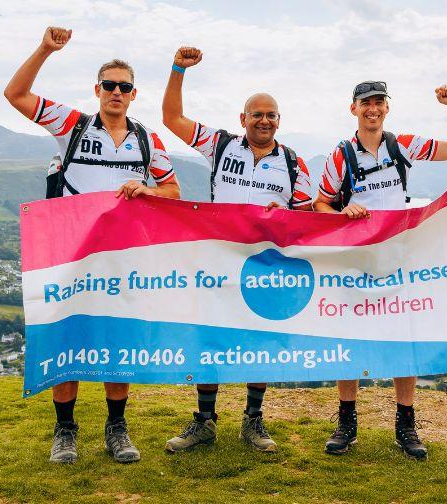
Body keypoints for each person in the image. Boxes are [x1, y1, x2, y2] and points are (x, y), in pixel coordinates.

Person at [4, 26, 180, 464]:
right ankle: (65, 430)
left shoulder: (146, 139)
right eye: (109, 85)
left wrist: (148, 191)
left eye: (124, 87)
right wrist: (45, 47)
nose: (116, 92)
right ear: (97, 90)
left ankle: (116, 428)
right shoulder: (73, 125)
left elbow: (173, 190)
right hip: (70, 253)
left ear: (133, 94)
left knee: (116, 339)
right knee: (68, 337)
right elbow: (16, 93)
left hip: (122, 257)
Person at [160, 46, 314, 453]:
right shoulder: (221, 145)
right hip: (219, 260)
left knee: (260, 341)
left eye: (271, 115)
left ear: (279, 121)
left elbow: (308, 216)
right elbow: (171, 119)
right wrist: (178, 69)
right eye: (256, 114)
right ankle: (205, 421)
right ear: (242, 119)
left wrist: (286, 212)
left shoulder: (295, 163)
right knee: (209, 338)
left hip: (265, 266)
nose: (264, 120)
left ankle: (253, 420)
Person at [313, 80, 447, 460]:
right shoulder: (340, 156)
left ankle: (405, 424)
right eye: (366, 103)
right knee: (350, 338)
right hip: (356, 261)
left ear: (387, 107)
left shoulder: (402, 145)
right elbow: (320, 204)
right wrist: (341, 212)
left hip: (398, 257)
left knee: (404, 339)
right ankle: (346, 422)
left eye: (379, 102)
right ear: (353, 109)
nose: (373, 109)